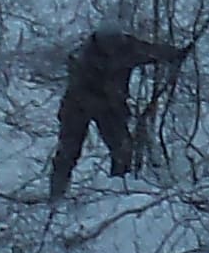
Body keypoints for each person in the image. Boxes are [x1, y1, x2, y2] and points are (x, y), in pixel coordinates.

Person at [45, 27, 187, 199]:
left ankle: (116, 192)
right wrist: (112, 106)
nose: (114, 47)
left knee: (123, 149)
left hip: (110, 107)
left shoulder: (128, 47)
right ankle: (56, 195)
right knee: (69, 151)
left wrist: (175, 53)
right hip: (77, 107)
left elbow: (151, 51)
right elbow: (80, 91)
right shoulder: (81, 57)